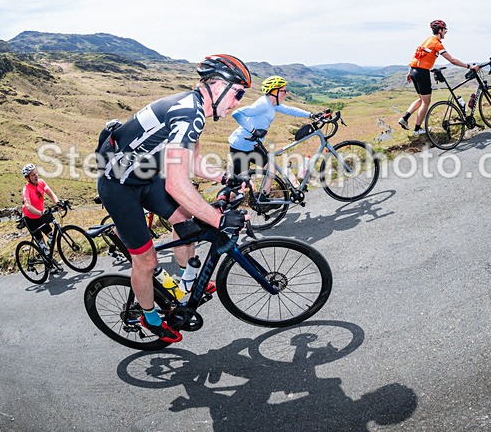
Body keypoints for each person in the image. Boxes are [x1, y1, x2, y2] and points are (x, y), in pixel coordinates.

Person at [96, 53, 251, 344]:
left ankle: (186, 283)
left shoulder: (193, 109)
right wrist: (220, 219)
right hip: (119, 187)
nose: (238, 101)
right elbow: (178, 185)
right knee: (146, 260)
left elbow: (191, 162)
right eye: (238, 93)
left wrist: (225, 178)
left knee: (185, 223)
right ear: (218, 88)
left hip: (146, 176)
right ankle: (149, 316)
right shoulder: (188, 112)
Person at [228, 76, 313, 188]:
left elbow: (289, 110)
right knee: (239, 186)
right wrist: (254, 131)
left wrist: (311, 115)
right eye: (284, 91)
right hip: (241, 146)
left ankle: (263, 198)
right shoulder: (263, 105)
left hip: (253, 145)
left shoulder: (272, 104)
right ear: (274, 92)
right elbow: (237, 113)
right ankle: (225, 204)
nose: (286, 94)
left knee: (271, 170)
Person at [399, 20, 479, 135]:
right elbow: (452, 60)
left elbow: (417, 55)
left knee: (421, 99)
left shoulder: (428, 40)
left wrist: (410, 72)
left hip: (414, 70)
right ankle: (417, 130)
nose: (445, 32)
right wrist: (469, 66)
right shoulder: (437, 43)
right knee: (426, 102)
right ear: (440, 31)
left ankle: (404, 118)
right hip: (422, 72)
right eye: (445, 30)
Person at [20, 163, 60, 251]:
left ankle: (49, 259)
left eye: (36, 173)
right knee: (42, 245)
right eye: (33, 175)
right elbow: (28, 206)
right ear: (27, 178)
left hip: (40, 216)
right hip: (30, 219)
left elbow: (51, 194)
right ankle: (46, 258)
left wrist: (58, 202)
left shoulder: (41, 182)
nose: (36, 176)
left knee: (52, 237)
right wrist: (40, 213)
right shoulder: (26, 189)